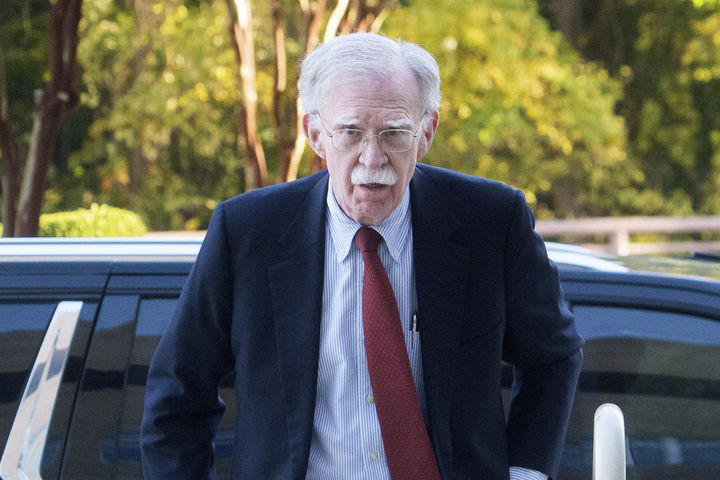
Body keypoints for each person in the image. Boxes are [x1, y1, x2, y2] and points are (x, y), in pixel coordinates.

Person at [141, 32, 583, 480]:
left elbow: (553, 355)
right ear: (316, 134)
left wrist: (525, 474)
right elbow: (178, 394)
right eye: (351, 132)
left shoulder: (491, 221)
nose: (373, 159)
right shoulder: (247, 233)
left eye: (394, 133)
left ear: (426, 133)